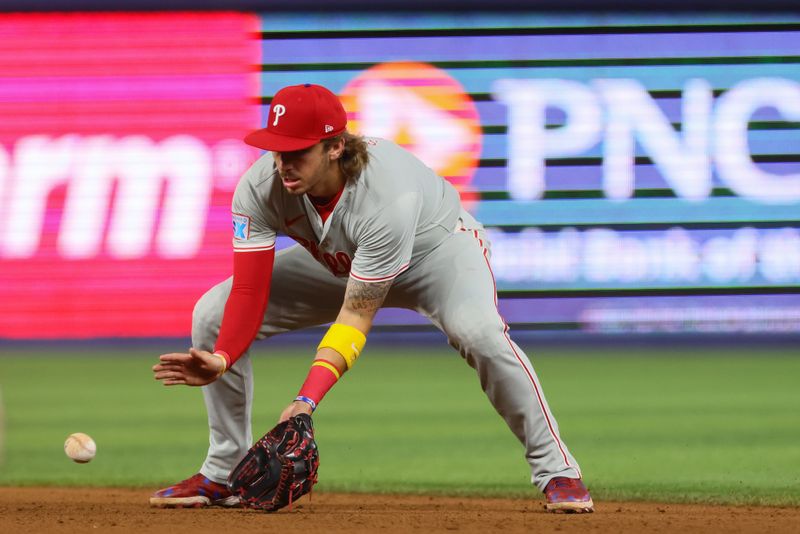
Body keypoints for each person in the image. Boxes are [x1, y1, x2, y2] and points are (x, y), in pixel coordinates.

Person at [150, 83, 593, 513]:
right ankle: (226, 469)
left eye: (298, 151)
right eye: (278, 149)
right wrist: (224, 356)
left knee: (480, 334)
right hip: (343, 264)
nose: (284, 163)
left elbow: (357, 314)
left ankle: (557, 470)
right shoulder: (259, 186)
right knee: (213, 312)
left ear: (335, 147)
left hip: (436, 256)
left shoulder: (386, 193)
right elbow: (249, 289)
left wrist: (305, 403)